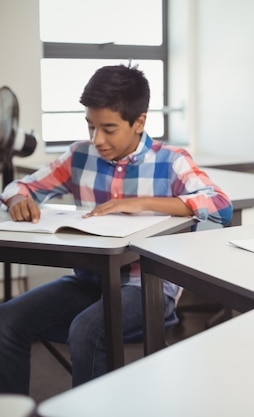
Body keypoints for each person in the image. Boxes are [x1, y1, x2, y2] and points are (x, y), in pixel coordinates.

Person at [0, 64, 233, 393]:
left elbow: (221, 205)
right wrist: (16, 200)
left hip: (147, 288)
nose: (97, 139)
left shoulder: (171, 161)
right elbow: (17, 186)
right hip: (89, 281)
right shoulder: (78, 156)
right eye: (90, 126)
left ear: (139, 122)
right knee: (6, 321)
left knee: (86, 330)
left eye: (108, 129)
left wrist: (143, 202)